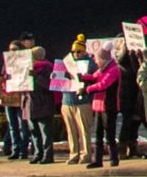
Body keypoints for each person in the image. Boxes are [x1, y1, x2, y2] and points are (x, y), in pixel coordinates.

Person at [79, 45, 121, 167]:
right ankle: (97, 160)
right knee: (98, 133)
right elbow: (93, 77)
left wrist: (87, 89)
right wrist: (81, 77)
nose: (96, 62)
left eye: (97, 59)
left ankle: (114, 158)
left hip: (109, 105)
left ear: (103, 59)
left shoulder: (113, 70)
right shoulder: (102, 69)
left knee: (109, 134)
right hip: (98, 105)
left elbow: (103, 84)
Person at [59, 36, 94, 164]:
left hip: (82, 101)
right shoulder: (66, 62)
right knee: (71, 130)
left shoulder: (90, 63)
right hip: (67, 100)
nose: (75, 54)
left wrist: (83, 79)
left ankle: (86, 154)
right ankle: (74, 154)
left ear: (84, 51)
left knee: (83, 130)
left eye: (78, 51)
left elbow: (94, 79)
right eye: (73, 51)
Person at [24, 45, 58, 164]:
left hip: (44, 104)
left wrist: (36, 77)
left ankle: (48, 155)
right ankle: (38, 153)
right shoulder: (27, 68)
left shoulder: (47, 68)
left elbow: (49, 85)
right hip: (31, 104)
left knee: (45, 132)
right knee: (34, 132)